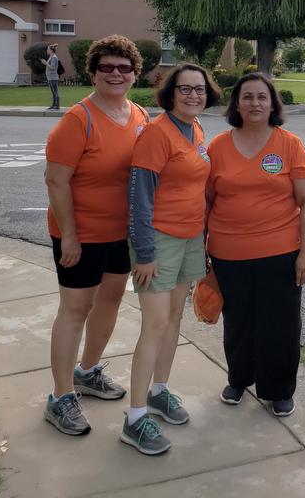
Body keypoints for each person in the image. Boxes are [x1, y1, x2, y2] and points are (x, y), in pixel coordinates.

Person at [43, 35, 150, 437]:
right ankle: (60, 396)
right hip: (80, 234)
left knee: (109, 302)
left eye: (125, 68)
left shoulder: (139, 114)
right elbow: (56, 180)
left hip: (119, 234)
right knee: (75, 309)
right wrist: (69, 236)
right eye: (107, 67)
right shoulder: (78, 119)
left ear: (135, 73)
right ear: (93, 72)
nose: (116, 74)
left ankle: (87, 372)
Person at [120, 63, 221, 455]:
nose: (193, 95)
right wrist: (144, 253)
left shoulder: (194, 129)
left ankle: (159, 390)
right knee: (156, 324)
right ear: (170, 93)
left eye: (199, 89)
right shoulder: (156, 135)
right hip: (158, 243)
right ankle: (134, 418)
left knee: (175, 318)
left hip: (190, 237)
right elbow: (139, 200)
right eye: (185, 89)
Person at [206, 72, 305, 417]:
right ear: (236, 104)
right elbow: (206, 202)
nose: (255, 103)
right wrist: (200, 248)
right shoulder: (218, 147)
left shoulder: (289, 144)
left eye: (261, 97)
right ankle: (240, 378)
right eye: (247, 97)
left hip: (280, 254)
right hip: (228, 254)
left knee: (281, 324)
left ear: (272, 104)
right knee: (237, 322)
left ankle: (279, 389)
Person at [45, 44, 61, 111]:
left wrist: (45, 63)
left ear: (51, 50)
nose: (47, 50)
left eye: (48, 49)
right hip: (50, 77)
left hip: (53, 77)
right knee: (53, 92)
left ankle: (56, 106)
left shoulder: (54, 57)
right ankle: (54, 105)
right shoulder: (51, 57)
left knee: (55, 92)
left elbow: (53, 67)